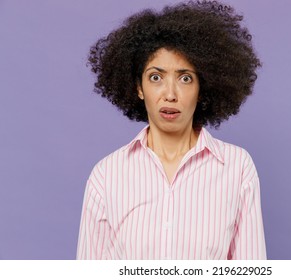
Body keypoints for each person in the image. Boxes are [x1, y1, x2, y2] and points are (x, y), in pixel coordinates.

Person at [77, 0, 266, 260]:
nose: (170, 94)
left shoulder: (237, 167)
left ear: (202, 88)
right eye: (156, 77)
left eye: (185, 78)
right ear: (139, 88)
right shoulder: (106, 175)